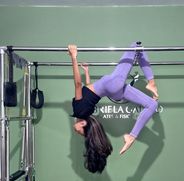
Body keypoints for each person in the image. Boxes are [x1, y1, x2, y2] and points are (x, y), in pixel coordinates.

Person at [68, 42, 159, 173]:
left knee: (152, 104)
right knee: (137, 45)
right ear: (83, 123)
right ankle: (151, 82)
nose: (76, 131)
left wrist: (87, 72)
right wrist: (73, 56)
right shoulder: (79, 111)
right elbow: (78, 84)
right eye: (79, 131)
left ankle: (132, 137)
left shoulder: (87, 112)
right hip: (112, 84)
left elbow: (88, 89)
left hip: (115, 92)